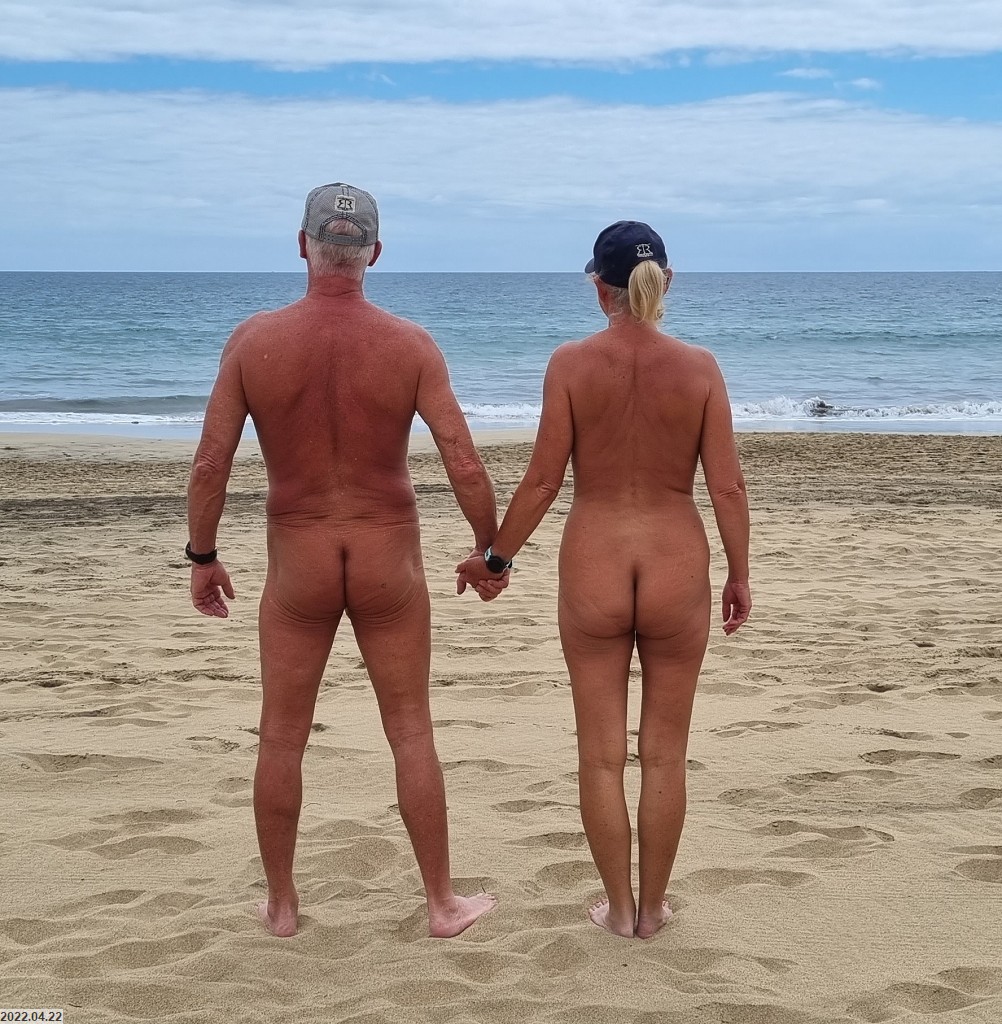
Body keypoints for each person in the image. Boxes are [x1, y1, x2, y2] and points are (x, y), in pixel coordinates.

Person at [186, 182, 501, 938]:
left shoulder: (254, 342)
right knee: (411, 730)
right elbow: (462, 460)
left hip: (299, 561)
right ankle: (441, 905)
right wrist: (489, 552)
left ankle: (282, 906)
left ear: (303, 245)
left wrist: (203, 555)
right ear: (375, 254)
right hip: (388, 557)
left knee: (281, 736)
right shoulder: (410, 345)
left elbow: (209, 465)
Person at [457, 221, 751, 939]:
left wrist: (494, 559)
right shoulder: (701, 368)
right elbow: (727, 487)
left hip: (594, 564)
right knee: (665, 755)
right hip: (677, 565)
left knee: (600, 756)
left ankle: (618, 909)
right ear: (667, 281)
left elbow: (542, 481)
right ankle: (653, 910)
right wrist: (739, 572)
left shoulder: (570, 363)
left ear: (599, 288)